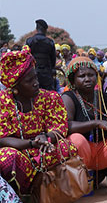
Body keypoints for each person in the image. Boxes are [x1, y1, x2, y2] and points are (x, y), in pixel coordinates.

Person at [0, 47, 78, 194]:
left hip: (44, 148)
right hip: (20, 151)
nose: (36, 83)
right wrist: (31, 143)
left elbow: (59, 127)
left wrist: (47, 138)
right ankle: (18, 196)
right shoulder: (3, 101)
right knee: (6, 157)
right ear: (15, 87)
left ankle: (47, 190)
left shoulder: (50, 97)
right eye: (29, 81)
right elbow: (3, 138)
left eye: (35, 77)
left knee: (67, 147)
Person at [62, 57, 107, 193]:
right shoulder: (68, 97)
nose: (87, 79)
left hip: (102, 151)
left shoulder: (105, 98)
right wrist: (96, 123)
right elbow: (66, 126)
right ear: (73, 80)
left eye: (91, 75)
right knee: (76, 140)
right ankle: (80, 182)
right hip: (82, 154)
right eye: (82, 76)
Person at [25, 19, 57, 91]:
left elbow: (25, 57)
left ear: (36, 29)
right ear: (45, 29)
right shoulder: (50, 42)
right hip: (47, 74)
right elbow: (53, 60)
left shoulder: (29, 41)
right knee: (48, 95)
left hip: (32, 73)